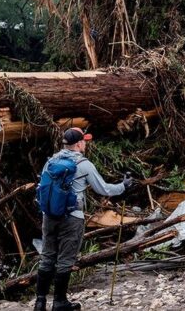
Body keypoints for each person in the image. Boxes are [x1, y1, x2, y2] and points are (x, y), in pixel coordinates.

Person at [33, 127, 136, 311]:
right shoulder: (84, 164)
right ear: (79, 143)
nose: (86, 143)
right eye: (85, 140)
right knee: (65, 260)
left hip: (48, 216)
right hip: (72, 217)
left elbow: (41, 187)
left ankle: (39, 302)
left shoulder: (51, 161)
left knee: (47, 256)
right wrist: (124, 186)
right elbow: (103, 189)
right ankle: (59, 303)